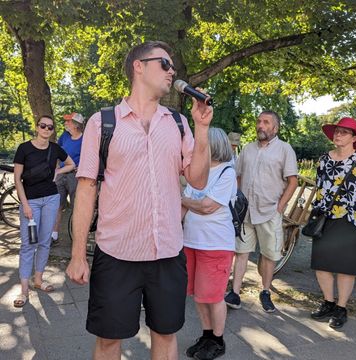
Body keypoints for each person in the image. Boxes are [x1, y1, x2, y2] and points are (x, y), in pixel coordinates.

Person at [65, 41, 212, 360]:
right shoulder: (102, 123)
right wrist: (78, 255)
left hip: (168, 253)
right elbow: (87, 190)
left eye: (173, 66)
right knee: (108, 341)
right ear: (139, 66)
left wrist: (202, 130)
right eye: (165, 64)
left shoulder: (178, 123)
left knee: (166, 334)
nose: (172, 72)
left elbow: (198, 179)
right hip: (117, 254)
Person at [224, 111, 298, 313]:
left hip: (269, 210)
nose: (260, 125)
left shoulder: (285, 150)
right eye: (259, 121)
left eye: (266, 122)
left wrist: (280, 206)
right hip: (246, 211)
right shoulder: (247, 149)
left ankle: (265, 291)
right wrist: (237, 199)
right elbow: (237, 176)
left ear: (275, 128)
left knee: (269, 254)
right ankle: (235, 293)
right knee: (241, 252)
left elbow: (293, 181)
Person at [309, 117, 356, 329]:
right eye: (337, 131)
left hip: (352, 219)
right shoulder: (323, 160)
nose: (338, 135)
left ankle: (341, 307)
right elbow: (319, 188)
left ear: (355, 138)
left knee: (346, 268)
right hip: (325, 218)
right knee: (321, 263)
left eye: (344, 132)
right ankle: (328, 302)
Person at [181, 128, 237, 360]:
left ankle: (218, 339)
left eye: (202, 143)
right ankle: (206, 335)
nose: (197, 148)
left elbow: (208, 206)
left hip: (215, 244)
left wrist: (182, 198)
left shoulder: (227, 172)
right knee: (197, 294)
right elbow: (187, 207)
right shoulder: (197, 172)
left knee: (213, 295)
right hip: (191, 241)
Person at [12, 115, 75, 307]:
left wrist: (58, 172)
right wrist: (26, 205)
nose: (46, 129)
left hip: (51, 199)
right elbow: (17, 180)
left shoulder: (55, 148)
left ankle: (38, 280)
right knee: (28, 244)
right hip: (30, 201)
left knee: (45, 242)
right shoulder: (24, 149)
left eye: (50, 127)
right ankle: (24, 290)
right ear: (37, 127)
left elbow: (72, 164)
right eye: (43, 126)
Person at [51, 112, 84, 246]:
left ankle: (77, 238)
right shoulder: (64, 136)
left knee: (77, 208)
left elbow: (90, 157)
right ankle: (54, 236)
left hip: (75, 177)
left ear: (76, 125)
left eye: (68, 122)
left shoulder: (86, 139)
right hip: (61, 175)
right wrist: (56, 169)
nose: (65, 123)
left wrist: (81, 167)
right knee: (57, 205)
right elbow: (57, 152)